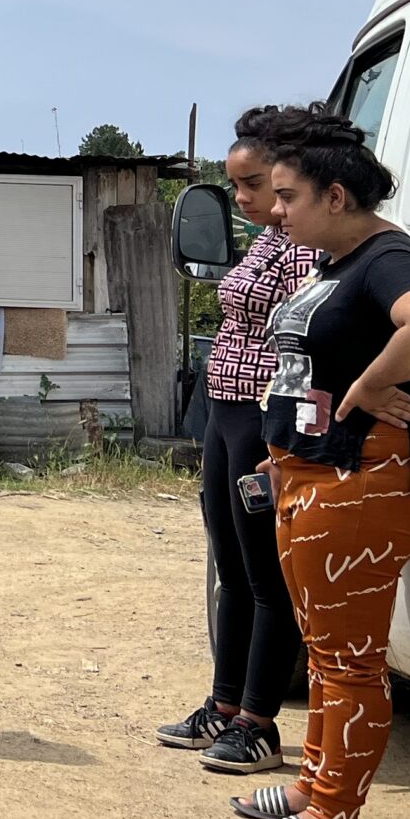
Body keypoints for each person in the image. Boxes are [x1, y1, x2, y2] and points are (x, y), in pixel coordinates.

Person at [235, 108, 410, 819]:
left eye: (288, 196)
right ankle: (313, 784)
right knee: (325, 649)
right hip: (314, 471)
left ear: (336, 197)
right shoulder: (336, 265)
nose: (276, 210)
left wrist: (368, 387)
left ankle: (336, 817)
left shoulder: (387, 258)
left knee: (351, 659)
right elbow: (314, 371)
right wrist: (290, 445)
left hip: (365, 479)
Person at [156, 105, 317, 775]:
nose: (246, 201)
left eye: (254, 186)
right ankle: (222, 707)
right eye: (241, 189)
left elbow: (304, 341)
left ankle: (259, 722)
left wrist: (282, 437)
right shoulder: (265, 240)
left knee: (264, 576)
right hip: (224, 411)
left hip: (261, 413)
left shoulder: (305, 242)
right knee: (229, 569)